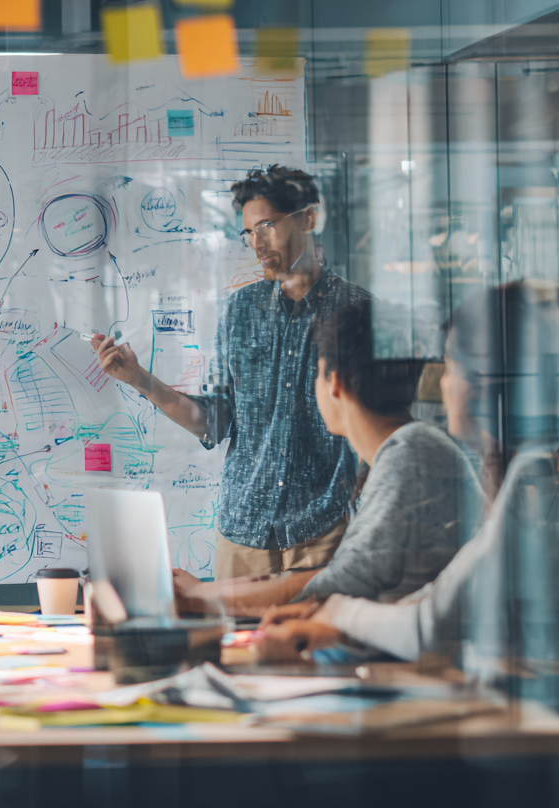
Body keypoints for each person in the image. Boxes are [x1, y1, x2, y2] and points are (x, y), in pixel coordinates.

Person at [257, 284, 559, 714]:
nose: (443, 382)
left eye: (451, 366)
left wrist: (338, 614)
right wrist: (340, 627)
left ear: (486, 381)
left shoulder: (539, 479)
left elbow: (430, 625)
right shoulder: (552, 471)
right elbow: (444, 600)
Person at [91, 165, 369, 579]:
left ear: (309, 218)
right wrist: (138, 378)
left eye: (268, 226)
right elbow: (215, 422)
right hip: (243, 534)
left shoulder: (357, 312)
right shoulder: (241, 311)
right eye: (249, 232)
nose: (257, 243)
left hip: (323, 533)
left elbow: (375, 425)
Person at [171, 299, 484, 615]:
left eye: (316, 374)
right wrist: (204, 589)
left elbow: (336, 585)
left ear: (336, 383)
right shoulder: (408, 449)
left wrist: (199, 596)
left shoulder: (410, 456)